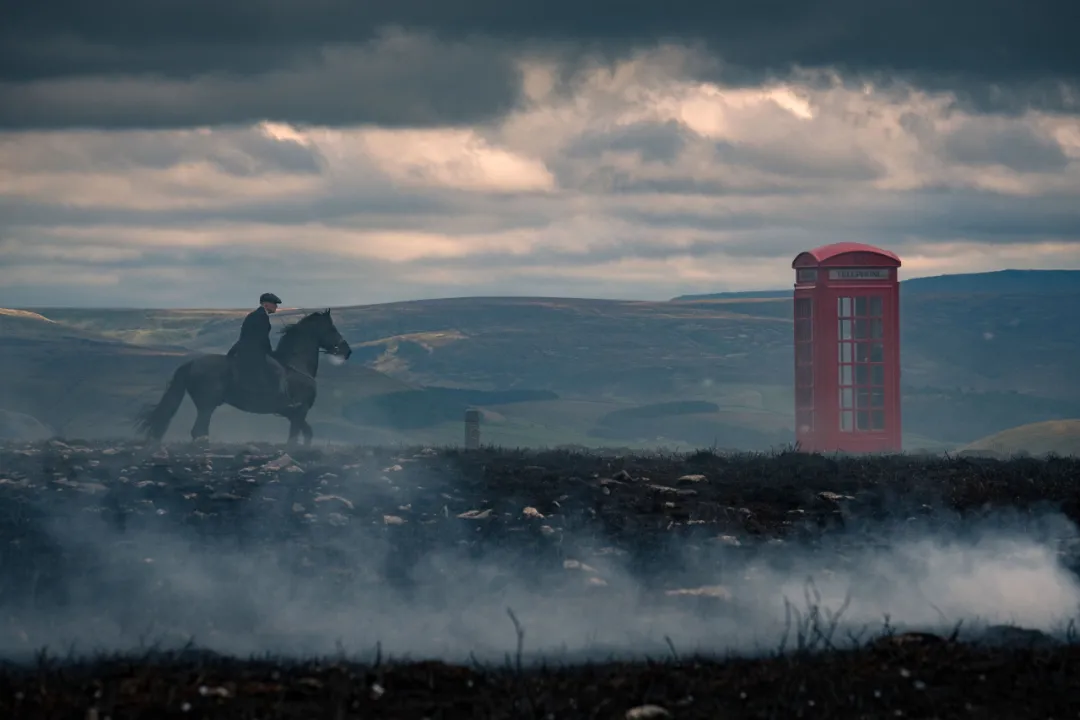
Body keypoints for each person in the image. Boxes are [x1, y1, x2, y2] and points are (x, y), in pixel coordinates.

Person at [227, 292, 302, 410]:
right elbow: (262, 338)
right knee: (279, 371)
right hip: (254, 353)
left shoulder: (253, 315)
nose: (276, 307)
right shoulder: (261, 317)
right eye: (274, 304)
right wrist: (269, 352)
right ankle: (283, 400)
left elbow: (244, 335)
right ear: (266, 305)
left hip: (245, 350)